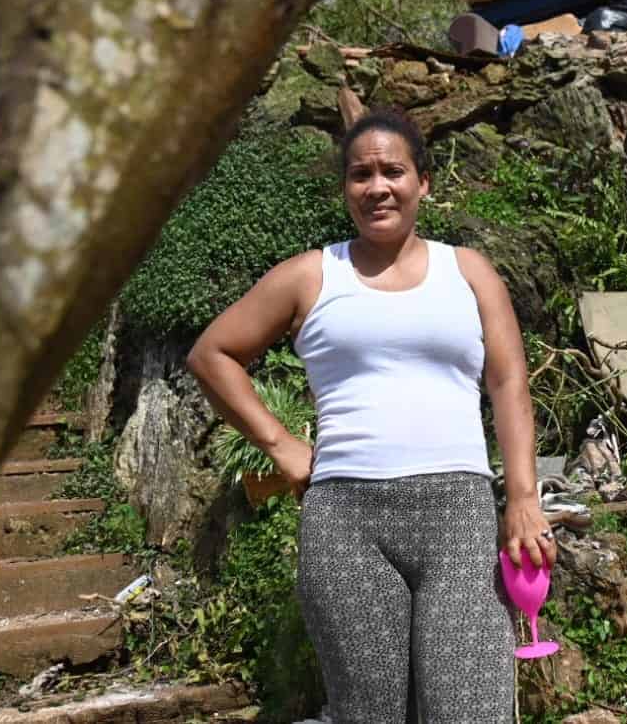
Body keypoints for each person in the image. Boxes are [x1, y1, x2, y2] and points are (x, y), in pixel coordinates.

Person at [185, 107, 553, 724]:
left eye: (393, 171)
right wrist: (280, 445)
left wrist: (522, 495)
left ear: (423, 184)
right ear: (346, 189)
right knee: (369, 714)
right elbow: (213, 354)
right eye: (361, 175)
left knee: (472, 709)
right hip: (346, 524)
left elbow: (509, 381)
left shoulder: (468, 272)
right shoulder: (311, 275)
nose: (377, 186)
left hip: (458, 516)